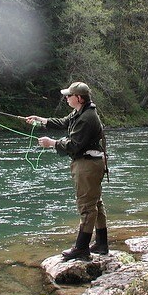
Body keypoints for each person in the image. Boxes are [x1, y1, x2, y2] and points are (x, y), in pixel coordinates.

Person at [25, 81, 108, 261]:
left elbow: (73, 145)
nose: (66, 98)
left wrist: (51, 143)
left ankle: (81, 249)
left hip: (87, 164)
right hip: (91, 163)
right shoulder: (81, 111)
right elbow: (64, 122)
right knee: (95, 203)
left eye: (69, 96)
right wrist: (42, 121)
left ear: (78, 98)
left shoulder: (87, 118)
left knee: (87, 206)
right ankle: (101, 244)